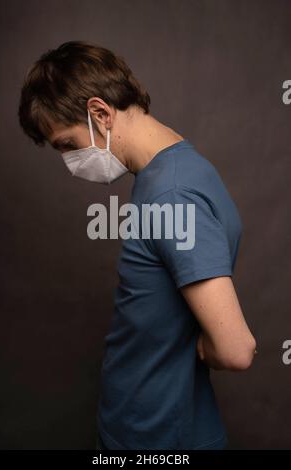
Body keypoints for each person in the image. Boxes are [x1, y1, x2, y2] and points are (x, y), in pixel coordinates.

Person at [18, 40, 257, 450]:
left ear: (99, 113)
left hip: (155, 435)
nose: (70, 164)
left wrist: (200, 349)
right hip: (146, 421)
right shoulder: (176, 167)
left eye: (68, 145)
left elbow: (236, 349)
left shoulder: (171, 193)